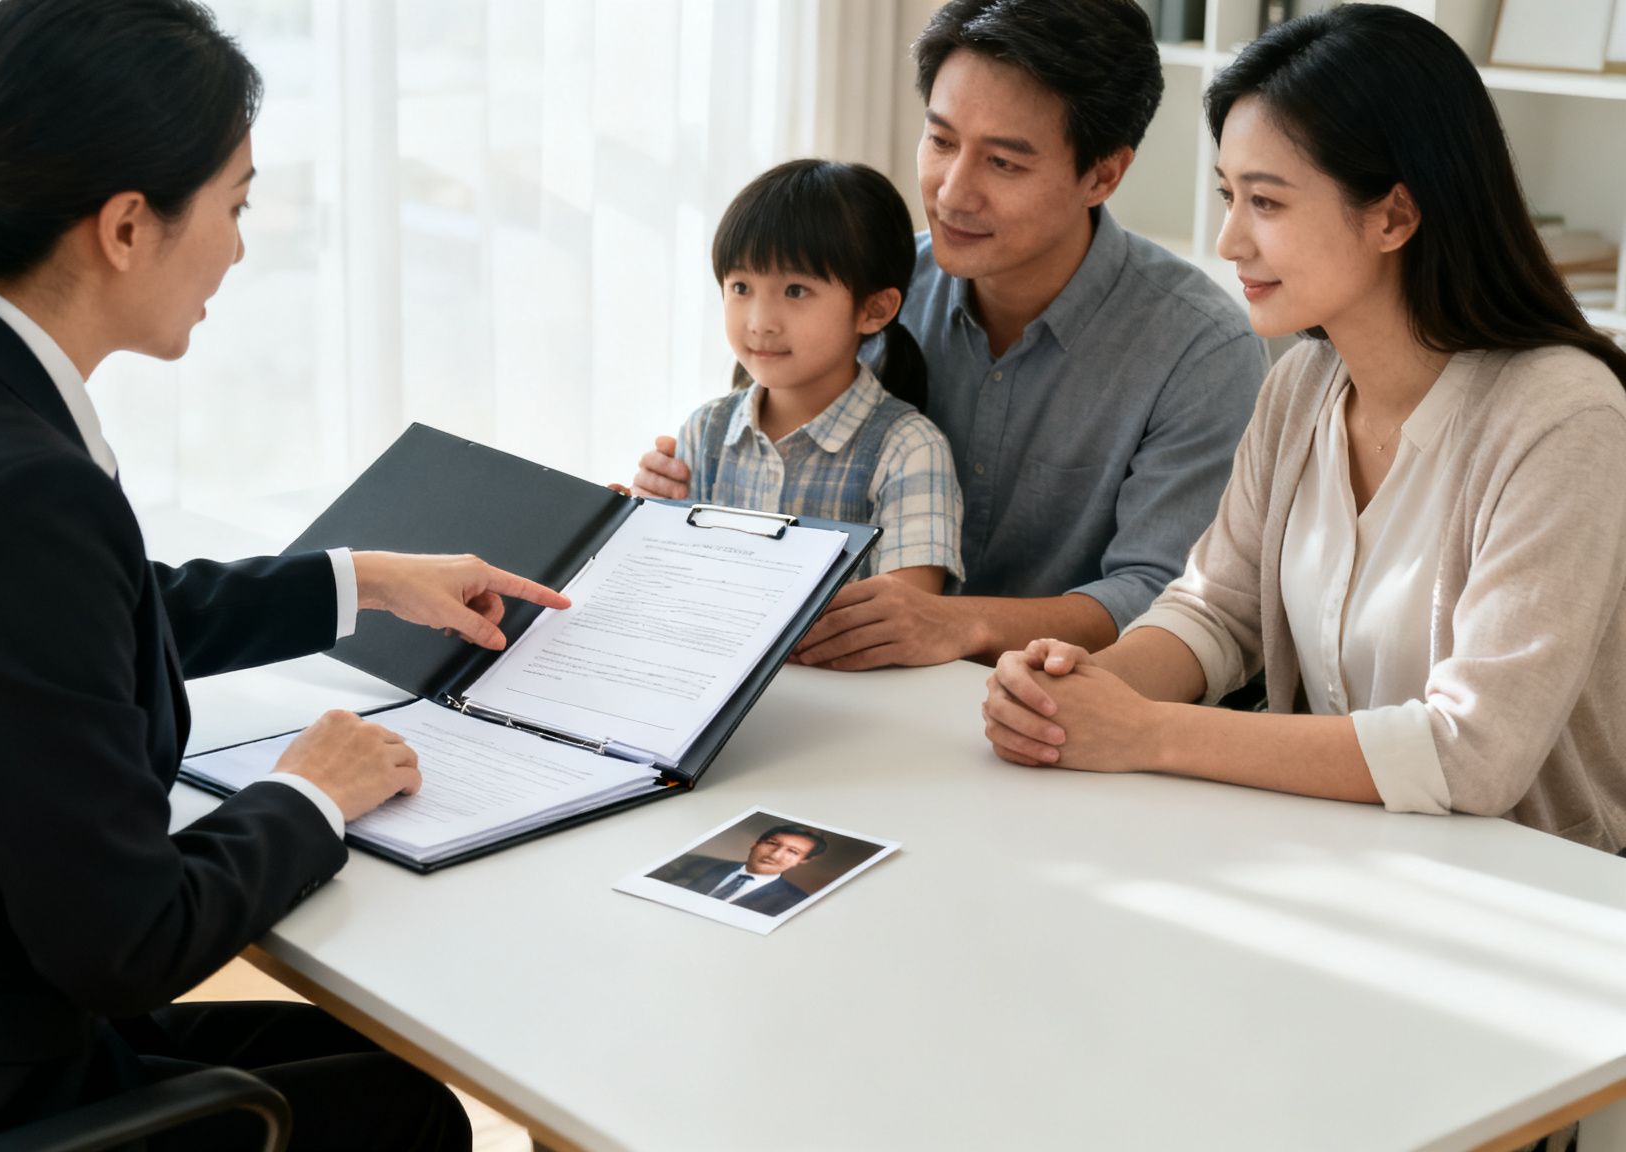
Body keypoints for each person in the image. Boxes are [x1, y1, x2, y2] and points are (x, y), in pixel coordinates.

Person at [0, 2, 571, 1148]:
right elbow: (127, 948)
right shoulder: (15, 494)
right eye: (234, 205)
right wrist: (309, 794)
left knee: (369, 1087)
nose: (240, 246)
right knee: (399, 1120)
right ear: (128, 227)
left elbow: (56, 629)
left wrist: (360, 580)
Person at [981, 6, 1626, 856]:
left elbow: (1474, 753)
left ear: (1394, 217)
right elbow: (1219, 608)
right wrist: (1076, 690)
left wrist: (1145, 732)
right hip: (1330, 856)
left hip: (1536, 889)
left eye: (1266, 202)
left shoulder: (1564, 418)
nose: (1230, 240)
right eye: (1227, 195)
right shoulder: (1302, 385)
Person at [632, 0, 1267, 670]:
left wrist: (952, 622)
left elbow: (1166, 598)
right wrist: (680, 496)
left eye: (1004, 163)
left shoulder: (1200, 349)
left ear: (1103, 174)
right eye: (940, 141)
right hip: (859, 700)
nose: (952, 192)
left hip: (1068, 717)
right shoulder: (870, 293)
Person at [676, 158, 962, 591]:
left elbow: (908, 615)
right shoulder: (704, 433)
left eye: (795, 291)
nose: (760, 321)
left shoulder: (909, 449)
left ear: (874, 309)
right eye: (740, 288)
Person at [649, 824, 831, 917]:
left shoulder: (797, 903)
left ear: (803, 860)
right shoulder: (689, 863)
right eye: (772, 843)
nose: (776, 854)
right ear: (756, 843)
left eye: (793, 851)